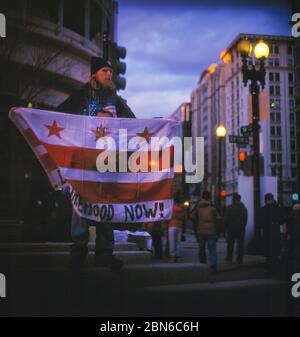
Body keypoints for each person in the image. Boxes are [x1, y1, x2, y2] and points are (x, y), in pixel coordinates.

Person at [57, 57, 135, 269]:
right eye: (104, 71)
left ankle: (104, 252)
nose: (110, 74)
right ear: (94, 75)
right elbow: (57, 118)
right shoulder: (81, 97)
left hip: (109, 163)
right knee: (80, 207)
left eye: (111, 71)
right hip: (83, 161)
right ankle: (78, 250)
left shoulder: (116, 101)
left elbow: (134, 125)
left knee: (106, 206)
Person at [191, 190, 219, 275]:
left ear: (202, 197)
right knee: (212, 249)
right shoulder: (212, 208)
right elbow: (218, 217)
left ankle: (202, 265)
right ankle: (213, 265)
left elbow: (191, 216)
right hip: (211, 230)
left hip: (201, 230)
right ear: (209, 197)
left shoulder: (198, 208)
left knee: (201, 249)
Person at [258, 193, 285, 271]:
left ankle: (271, 267)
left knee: (272, 250)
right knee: (271, 250)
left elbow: (282, 220)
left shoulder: (272, 208)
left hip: (271, 231)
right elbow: (282, 220)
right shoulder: (276, 208)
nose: (267, 201)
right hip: (272, 231)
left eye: (268, 199)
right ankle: (271, 267)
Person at [224, 193, 248, 264]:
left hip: (231, 229)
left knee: (230, 243)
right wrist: (243, 226)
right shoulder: (244, 208)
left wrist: (224, 228)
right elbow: (245, 219)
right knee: (240, 244)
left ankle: (229, 257)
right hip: (241, 229)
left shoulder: (229, 208)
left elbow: (226, 219)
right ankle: (239, 259)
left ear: (233, 200)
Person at [167, 192, 187, 263]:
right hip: (179, 225)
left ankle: (172, 257)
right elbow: (185, 217)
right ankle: (178, 257)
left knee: (172, 242)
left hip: (172, 225)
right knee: (178, 242)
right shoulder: (182, 208)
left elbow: (167, 216)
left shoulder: (170, 207)